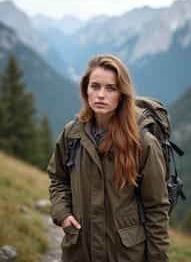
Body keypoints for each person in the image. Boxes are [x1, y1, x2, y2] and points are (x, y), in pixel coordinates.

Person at [47, 54, 170, 262]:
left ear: (122, 94)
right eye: (95, 86)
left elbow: (156, 209)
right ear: (86, 89)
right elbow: (58, 179)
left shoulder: (143, 143)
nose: (100, 95)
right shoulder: (71, 134)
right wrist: (63, 213)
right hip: (78, 251)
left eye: (111, 88)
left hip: (124, 255)